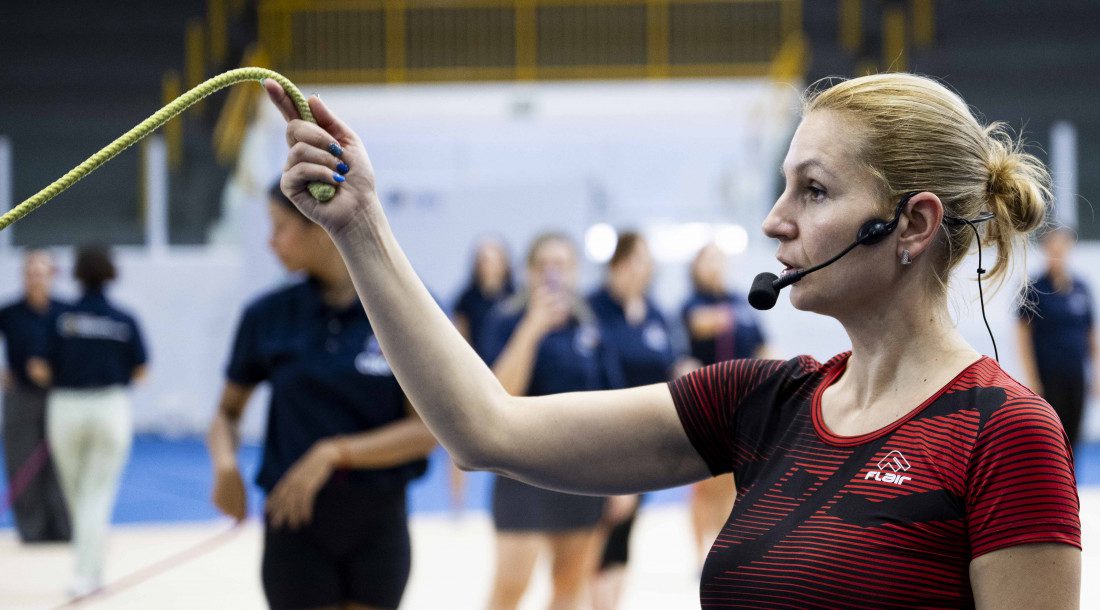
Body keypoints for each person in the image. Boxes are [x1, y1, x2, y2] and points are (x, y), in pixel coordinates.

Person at [262, 71, 1081, 608]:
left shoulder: (1005, 434)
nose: (775, 219)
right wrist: (362, 228)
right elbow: (487, 429)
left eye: (814, 190)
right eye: (784, 185)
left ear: (913, 223)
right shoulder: (765, 400)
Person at [207, 183, 437, 610]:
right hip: (295, 523)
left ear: (319, 228)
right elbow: (227, 413)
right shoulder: (268, 315)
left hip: (378, 520)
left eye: (279, 228)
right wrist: (224, 465)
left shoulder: (404, 309)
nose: (270, 242)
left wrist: (334, 453)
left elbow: (428, 431)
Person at [477, 232, 622, 610]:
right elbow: (499, 394)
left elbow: (614, 403)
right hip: (521, 468)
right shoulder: (506, 319)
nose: (553, 274)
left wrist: (624, 481)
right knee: (511, 583)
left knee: (569, 583)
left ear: (576, 271)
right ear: (528, 271)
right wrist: (533, 327)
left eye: (563, 265)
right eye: (544, 265)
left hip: (581, 470)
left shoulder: (589, 323)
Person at [27, 244, 148, 598]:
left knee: (78, 493)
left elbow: (38, 368)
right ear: (111, 273)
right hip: (110, 406)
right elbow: (142, 370)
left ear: (75, 274)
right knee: (96, 493)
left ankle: (87, 573)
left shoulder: (59, 319)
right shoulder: (123, 320)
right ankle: (90, 573)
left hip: (67, 406)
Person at [587, 232, 681, 610]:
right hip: (601, 438)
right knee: (595, 532)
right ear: (619, 263)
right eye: (639, 259)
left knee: (623, 534)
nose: (647, 268)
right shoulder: (592, 309)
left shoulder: (654, 312)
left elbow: (670, 363)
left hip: (645, 440)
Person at [681, 242, 769, 564]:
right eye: (709, 260)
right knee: (704, 483)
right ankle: (700, 553)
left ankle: (724, 543)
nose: (716, 266)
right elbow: (698, 323)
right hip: (706, 404)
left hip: (743, 406)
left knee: (734, 483)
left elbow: (762, 345)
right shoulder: (692, 303)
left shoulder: (739, 301)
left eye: (720, 259)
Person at [0, 250, 71, 544]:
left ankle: (65, 528)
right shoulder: (11, 312)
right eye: (30, 273)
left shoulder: (66, 312)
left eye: (41, 273)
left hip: (60, 395)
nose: (35, 279)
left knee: (62, 463)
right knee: (22, 461)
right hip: (21, 395)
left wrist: (57, 373)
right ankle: (32, 530)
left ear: (52, 275)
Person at [449, 236, 515, 511]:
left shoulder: (514, 297)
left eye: (493, 258)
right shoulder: (466, 298)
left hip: (509, 375)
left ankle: (508, 500)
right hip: (474, 374)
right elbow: (458, 338)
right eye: (483, 259)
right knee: (458, 440)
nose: (488, 264)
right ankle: (458, 504)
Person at [1017, 226, 1095, 448]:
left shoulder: (1081, 288)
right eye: (1053, 248)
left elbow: (1090, 332)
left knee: (1075, 434)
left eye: (1062, 247)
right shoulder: (1033, 289)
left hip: (1076, 374)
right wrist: (1031, 379)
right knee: (1051, 435)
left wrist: (1096, 373)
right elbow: (1022, 336)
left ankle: (1071, 481)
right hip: (1048, 375)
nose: (1057, 252)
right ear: (1045, 249)